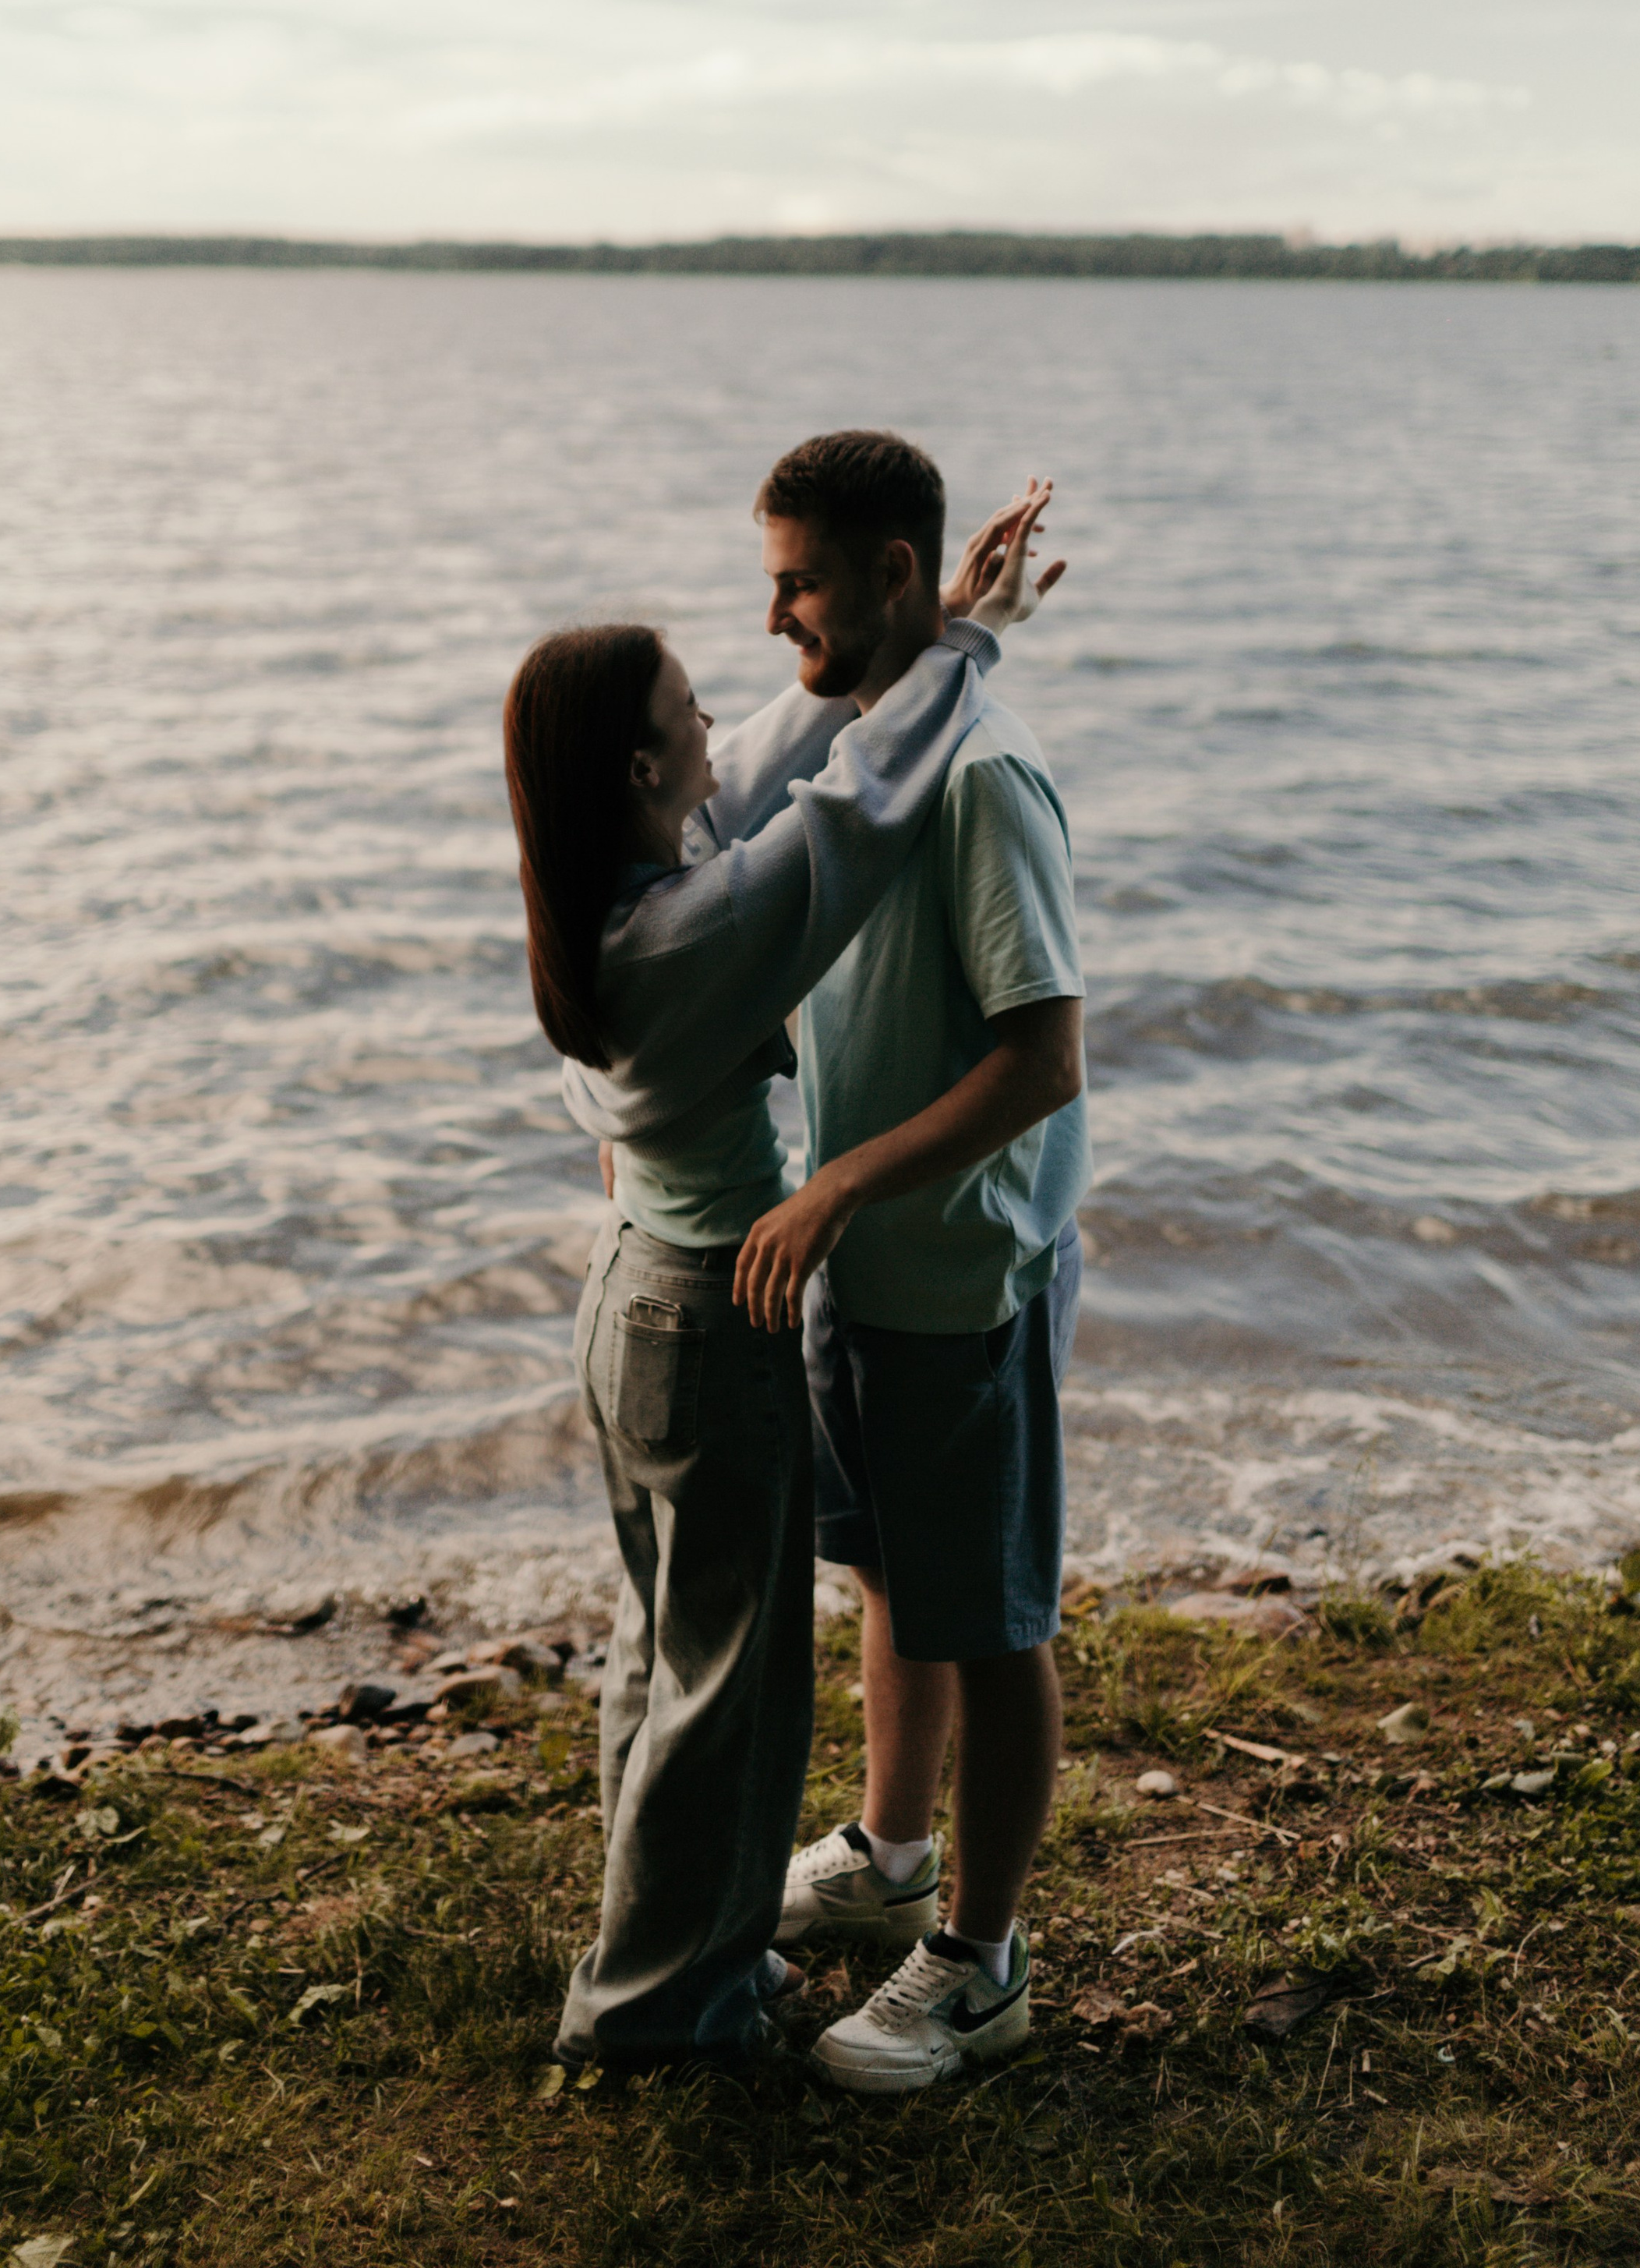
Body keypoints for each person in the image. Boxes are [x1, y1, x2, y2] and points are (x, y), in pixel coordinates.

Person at [500, 480, 1060, 2072]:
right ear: (637, 767)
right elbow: (849, 812)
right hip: (701, 1314)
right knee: (727, 1694)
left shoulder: (606, 878)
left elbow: (782, 752)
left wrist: (943, 625)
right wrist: (961, 647)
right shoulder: (686, 931)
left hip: (630, 1294)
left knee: (662, 1657)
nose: (720, 711)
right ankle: (667, 2008)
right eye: (684, 710)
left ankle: (655, 1952)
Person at [732, 428, 1089, 2095]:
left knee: (991, 1618)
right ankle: (890, 1857)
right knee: (892, 1571)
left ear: (889, 575)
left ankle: (980, 1966)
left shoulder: (980, 776)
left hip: (957, 1272)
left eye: (798, 584)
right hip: (862, 1263)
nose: (773, 619)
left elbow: (1041, 1059)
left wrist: (836, 1190)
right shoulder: (869, 745)